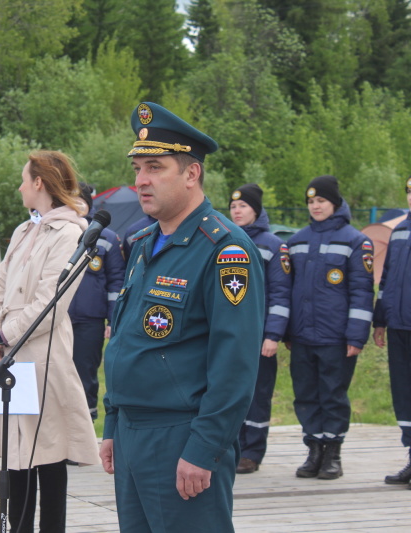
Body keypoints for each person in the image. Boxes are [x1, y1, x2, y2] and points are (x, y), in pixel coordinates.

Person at [100, 102, 265, 533]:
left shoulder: (224, 250)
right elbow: (127, 341)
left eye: (155, 167)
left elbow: (236, 364)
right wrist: (113, 423)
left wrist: (204, 447)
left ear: (191, 174)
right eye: (138, 168)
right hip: (134, 433)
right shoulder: (143, 244)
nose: (141, 181)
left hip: (181, 437)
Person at [0, 150, 101, 532]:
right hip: (5, 359)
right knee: (13, 455)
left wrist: (2, 336)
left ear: (39, 183)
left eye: (23, 179)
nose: (19, 186)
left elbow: (50, 303)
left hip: (40, 357)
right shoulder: (22, 231)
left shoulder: (70, 233)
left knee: (46, 453)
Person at [286, 175, 374, 480]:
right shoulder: (296, 241)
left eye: (321, 200)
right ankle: (314, 451)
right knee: (306, 394)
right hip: (301, 336)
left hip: (336, 337)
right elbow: (286, 290)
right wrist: (286, 331)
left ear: (334, 203)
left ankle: (333, 453)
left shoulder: (356, 241)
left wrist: (357, 335)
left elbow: (362, 293)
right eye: (311, 202)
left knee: (333, 395)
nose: (315, 206)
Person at [229, 183, 292, 474]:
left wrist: (273, 335)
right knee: (230, 391)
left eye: (243, 206)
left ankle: (252, 452)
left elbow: (280, 294)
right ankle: (232, 446)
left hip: (259, 336)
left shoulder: (273, 245)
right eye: (233, 206)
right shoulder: (227, 241)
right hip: (231, 336)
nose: (237, 211)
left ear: (256, 210)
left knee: (257, 394)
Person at [68, 183, 126, 420]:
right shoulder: (58, 233)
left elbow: (116, 282)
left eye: (79, 201)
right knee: (56, 375)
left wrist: (112, 319)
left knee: (85, 375)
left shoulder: (107, 238)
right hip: (56, 319)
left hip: (89, 322)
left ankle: (85, 430)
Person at [373, 176, 411, 487]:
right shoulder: (399, 232)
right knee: (403, 394)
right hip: (399, 325)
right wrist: (381, 320)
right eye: (409, 191)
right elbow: (386, 282)